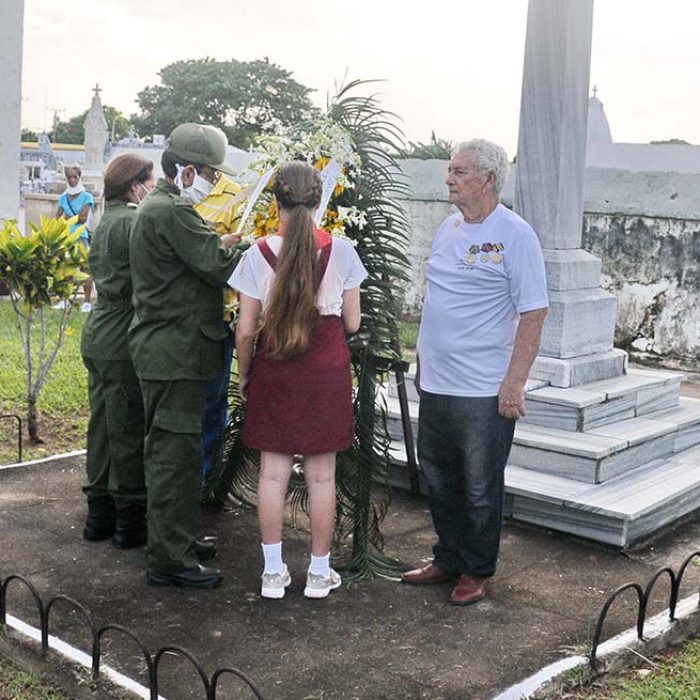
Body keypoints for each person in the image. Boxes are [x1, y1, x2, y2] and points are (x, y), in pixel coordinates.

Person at [401, 139, 548, 606]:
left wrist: (514, 382)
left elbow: (534, 312)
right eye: (450, 170)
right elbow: (437, 301)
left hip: (483, 387)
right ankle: (447, 557)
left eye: (459, 171)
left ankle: (477, 569)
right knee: (438, 477)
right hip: (437, 381)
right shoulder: (448, 229)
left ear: (488, 179)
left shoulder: (516, 235)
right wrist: (423, 362)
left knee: (480, 484)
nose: (449, 178)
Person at [230, 161, 367, 600]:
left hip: (277, 362)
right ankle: (319, 574)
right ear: (319, 201)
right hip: (325, 365)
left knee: (273, 475)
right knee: (322, 478)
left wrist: (246, 374)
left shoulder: (258, 253)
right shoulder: (342, 251)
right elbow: (351, 321)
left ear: (276, 202)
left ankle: (273, 573)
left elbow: (246, 329)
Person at [128, 123, 247, 589]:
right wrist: (268, 248)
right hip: (174, 355)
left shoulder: (159, 207)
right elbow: (217, 268)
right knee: (174, 459)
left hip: (169, 351)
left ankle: (177, 537)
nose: (213, 183)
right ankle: (169, 559)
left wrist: (222, 243)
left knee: (176, 452)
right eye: (210, 175)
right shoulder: (174, 210)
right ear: (189, 170)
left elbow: (196, 255)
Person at [80, 154, 154, 549]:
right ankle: (128, 521)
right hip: (122, 336)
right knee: (126, 430)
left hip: (98, 332)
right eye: (149, 182)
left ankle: (98, 515)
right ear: (134, 185)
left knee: (102, 428)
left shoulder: (106, 218)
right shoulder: (132, 220)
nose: (152, 189)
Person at [194, 174, 248, 489]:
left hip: (218, 316)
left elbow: (239, 254)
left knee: (212, 403)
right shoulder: (173, 197)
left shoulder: (234, 196)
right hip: (182, 320)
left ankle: (207, 480)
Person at [56, 165, 95, 312]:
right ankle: (64, 299)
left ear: (79, 177)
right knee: (65, 268)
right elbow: (57, 217)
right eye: (69, 177)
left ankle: (87, 301)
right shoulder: (63, 197)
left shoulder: (87, 196)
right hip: (66, 237)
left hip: (81, 236)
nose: (72, 180)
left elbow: (83, 218)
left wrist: (67, 217)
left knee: (84, 267)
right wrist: (71, 218)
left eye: (75, 177)